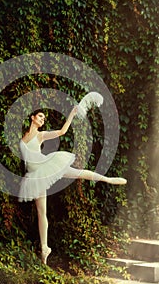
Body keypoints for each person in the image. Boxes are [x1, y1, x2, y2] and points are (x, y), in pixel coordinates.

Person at [19, 107, 127, 265]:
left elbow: (62, 131)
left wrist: (72, 114)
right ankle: (44, 249)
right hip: (35, 176)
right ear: (32, 117)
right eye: (40, 116)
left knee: (78, 173)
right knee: (42, 212)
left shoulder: (41, 135)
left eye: (43, 118)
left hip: (46, 166)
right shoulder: (22, 138)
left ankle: (107, 179)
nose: (42, 120)